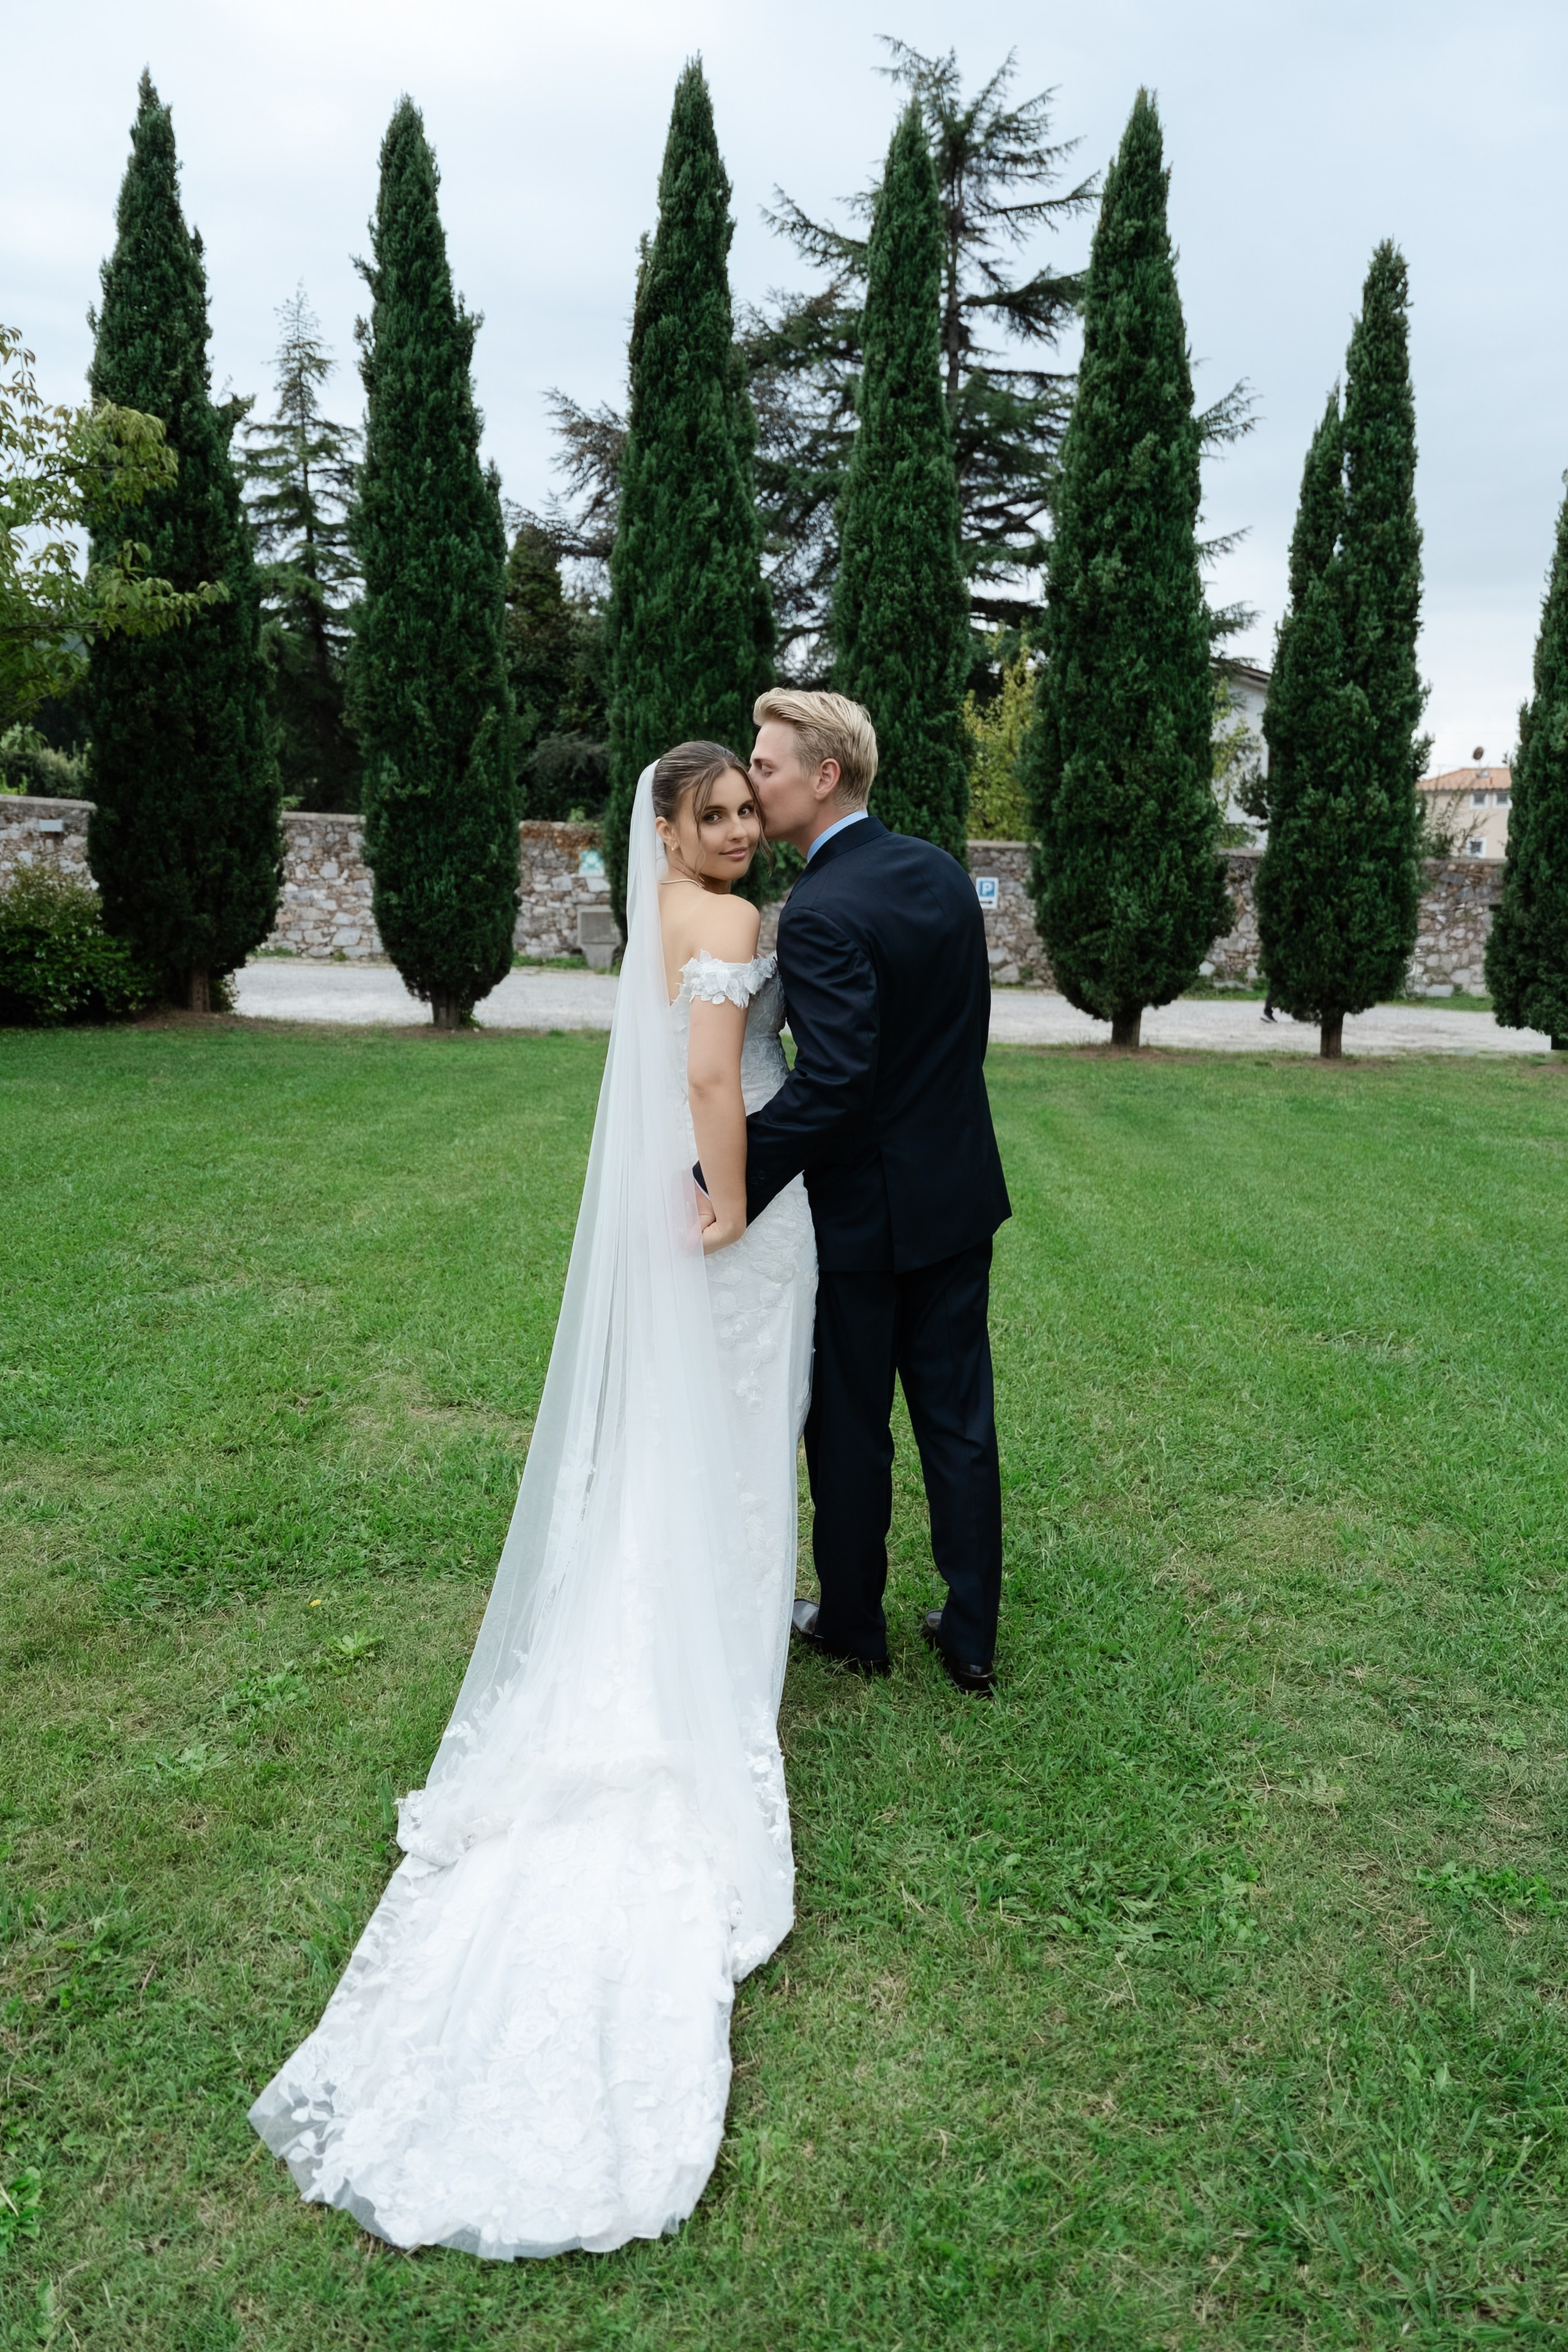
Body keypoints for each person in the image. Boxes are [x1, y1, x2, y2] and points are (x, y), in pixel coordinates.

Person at [249, 745, 816, 2258]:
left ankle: (684, 1608)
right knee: (737, 1431)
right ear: (675, 831)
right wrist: (736, 1197)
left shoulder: (661, 918)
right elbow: (711, 1077)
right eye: (720, 815)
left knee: (668, 1448)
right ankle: (714, 1638)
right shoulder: (732, 928)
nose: (743, 830)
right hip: (720, 1204)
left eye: (749, 810)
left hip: (667, 1197)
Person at [737, 690, 1011, 1695]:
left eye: (767, 766)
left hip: (861, 1215)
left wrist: (724, 1175)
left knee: (850, 1427)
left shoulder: (817, 910)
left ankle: (854, 1623)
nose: (753, 780)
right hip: (957, 1195)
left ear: (825, 776)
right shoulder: (940, 870)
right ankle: (971, 1634)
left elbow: (836, 1082)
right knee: (957, 1418)